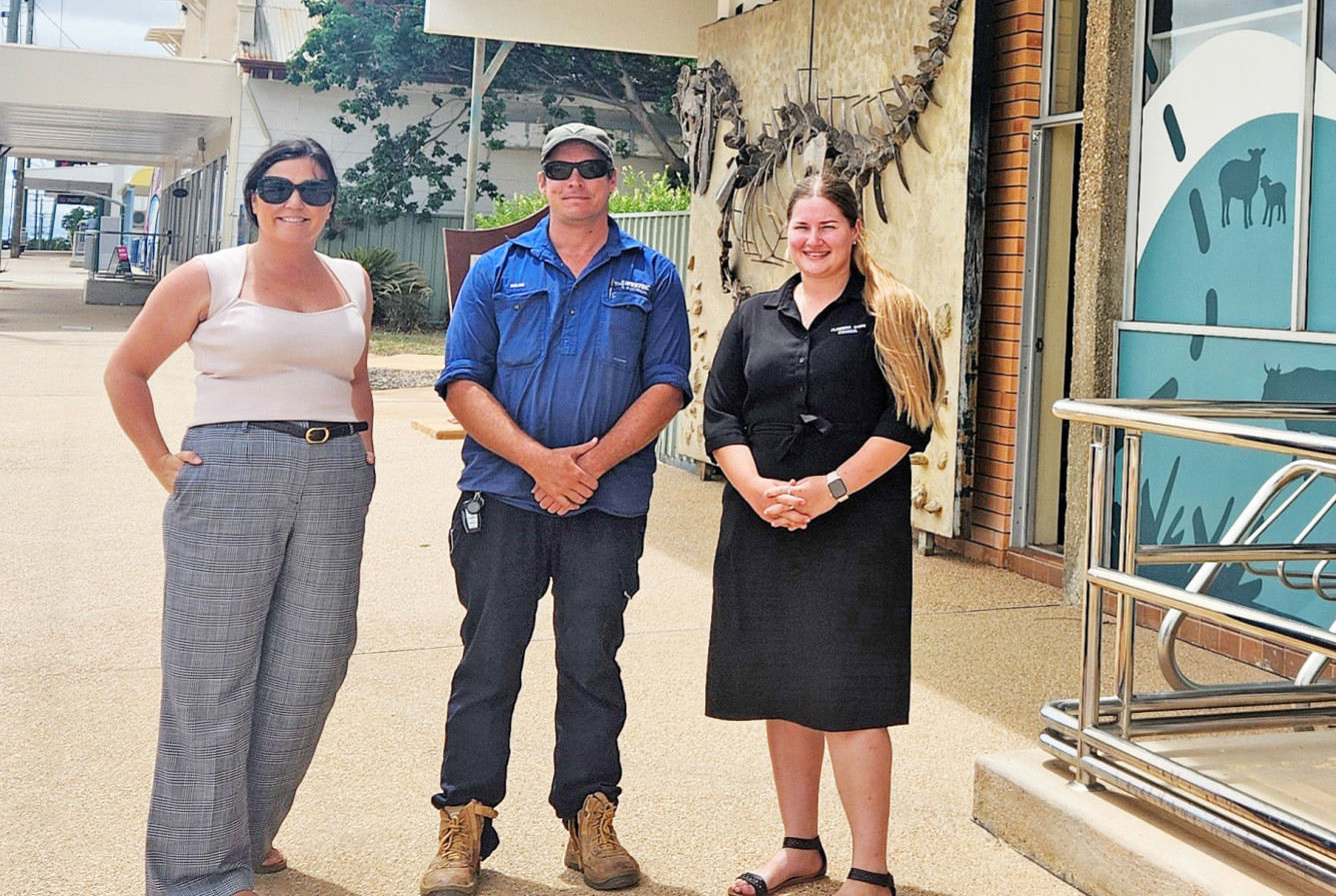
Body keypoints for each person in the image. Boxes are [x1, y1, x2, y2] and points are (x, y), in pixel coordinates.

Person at [421, 124, 690, 896]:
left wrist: (588, 467)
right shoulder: (495, 271)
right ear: (541, 183)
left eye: (592, 168)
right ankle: (464, 820)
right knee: (487, 658)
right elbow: (463, 380)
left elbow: (668, 383)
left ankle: (589, 819)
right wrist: (541, 463)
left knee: (591, 661)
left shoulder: (652, 274)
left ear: (612, 179)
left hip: (607, 505)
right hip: (504, 496)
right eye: (560, 169)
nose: (576, 180)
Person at [104, 136, 376, 896]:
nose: (298, 201)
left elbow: (354, 374)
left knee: (310, 664)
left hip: (333, 477)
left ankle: (244, 836)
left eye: (315, 189)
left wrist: (366, 452)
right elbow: (125, 370)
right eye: (281, 187)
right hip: (231, 466)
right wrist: (162, 460)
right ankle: (196, 870)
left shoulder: (352, 280)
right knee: (213, 669)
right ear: (255, 196)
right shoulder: (209, 276)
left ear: (330, 202)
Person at [703, 168, 945, 896]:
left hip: (855, 533)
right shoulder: (754, 314)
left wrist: (830, 488)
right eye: (802, 227)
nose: (813, 239)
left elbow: (910, 420)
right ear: (789, 234)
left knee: (851, 696)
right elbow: (721, 414)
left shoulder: (891, 309)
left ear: (854, 231)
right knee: (785, 687)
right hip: (765, 528)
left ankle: (870, 872)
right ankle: (800, 848)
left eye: (828, 226)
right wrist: (758, 490)